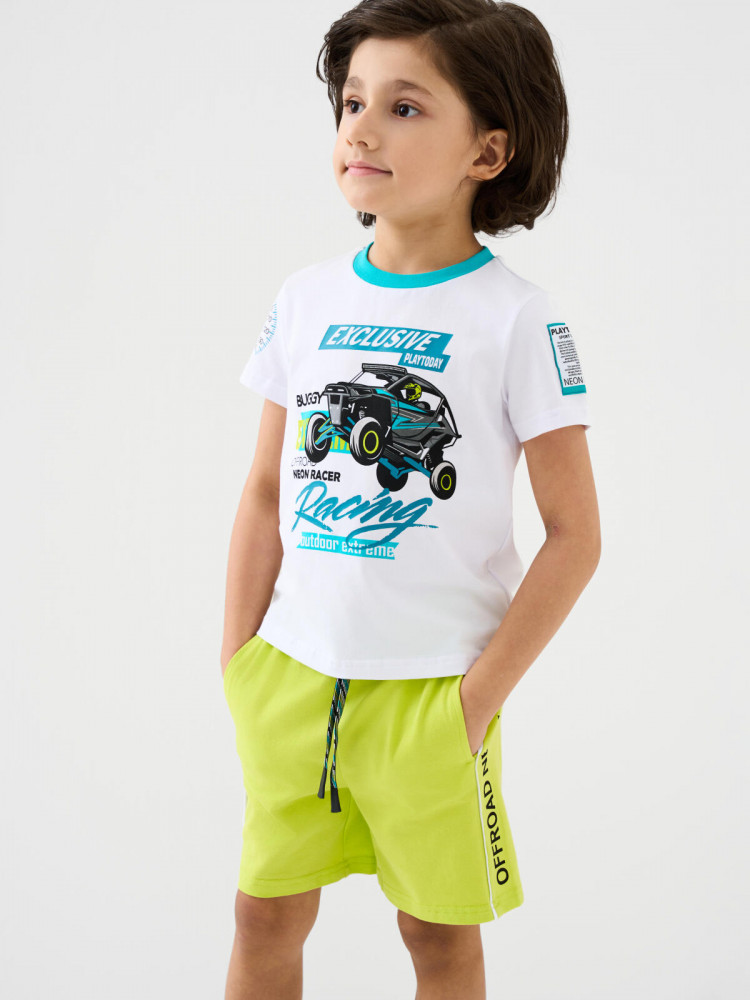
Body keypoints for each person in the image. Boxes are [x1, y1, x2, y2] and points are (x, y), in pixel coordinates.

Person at [220, 1, 601, 997]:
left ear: (488, 151)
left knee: (437, 936)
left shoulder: (516, 319)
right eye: (352, 102)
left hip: (433, 693)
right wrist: (238, 658)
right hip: (291, 675)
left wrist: (475, 702)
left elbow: (575, 535)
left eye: (405, 107)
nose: (361, 128)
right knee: (263, 912)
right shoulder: (306, 299)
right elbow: (263, 492)